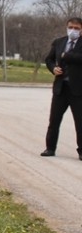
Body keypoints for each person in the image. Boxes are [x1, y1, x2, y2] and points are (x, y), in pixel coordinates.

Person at [40, 17, 82, 159]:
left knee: (80, 122)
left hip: (77, 90)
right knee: (54, 120)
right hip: (60, 88)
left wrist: (66, 55)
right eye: (71, 27)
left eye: (77, 28)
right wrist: (53, 69)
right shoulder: (59, 42)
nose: (73, 30)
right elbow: (49, 59)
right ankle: (50, 148)